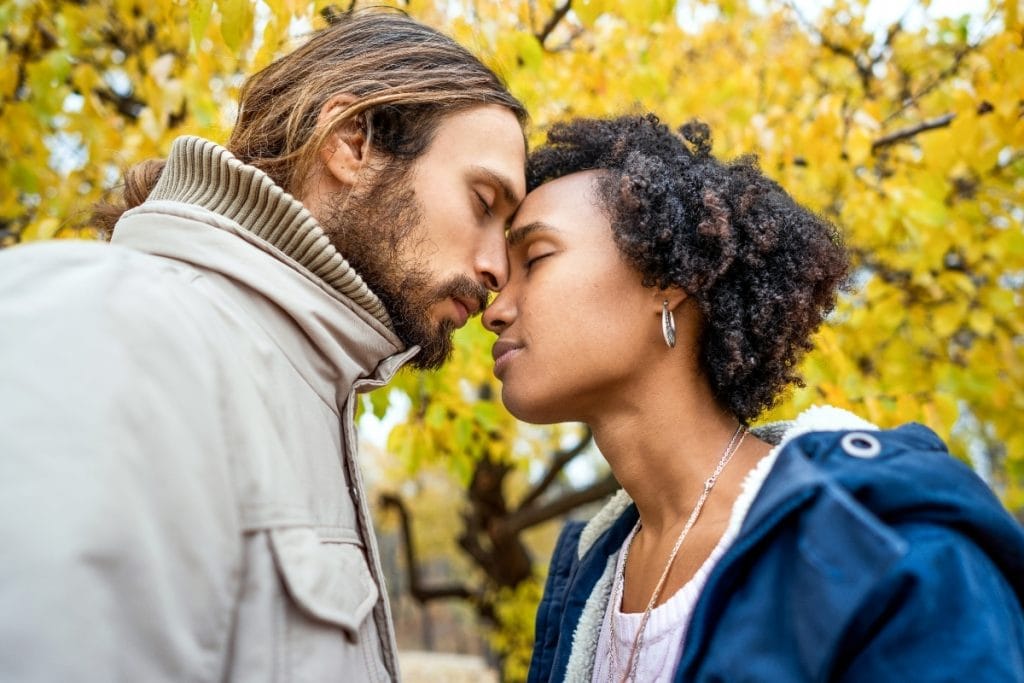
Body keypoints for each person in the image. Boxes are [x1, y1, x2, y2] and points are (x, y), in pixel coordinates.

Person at [0, 10, 526, 681]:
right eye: (484, 201)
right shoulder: (109, 324)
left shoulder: (306, 392)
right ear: (351, 143)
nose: (497, 270)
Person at [482, 114, 1024, 682]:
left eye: (537, 259)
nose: (495, 311)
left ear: (667, 279)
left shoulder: (880, 546)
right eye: (501, 280)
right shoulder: (584, 578)